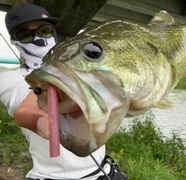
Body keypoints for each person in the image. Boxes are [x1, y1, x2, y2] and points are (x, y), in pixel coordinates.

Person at [0, 3, 127, 180]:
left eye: (45, 31)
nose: (38, 38)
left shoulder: (84, 69)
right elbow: (25, 105)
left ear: (53, 33)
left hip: (104, 171)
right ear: (14, 41)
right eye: (26, 35)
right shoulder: (9, 79)